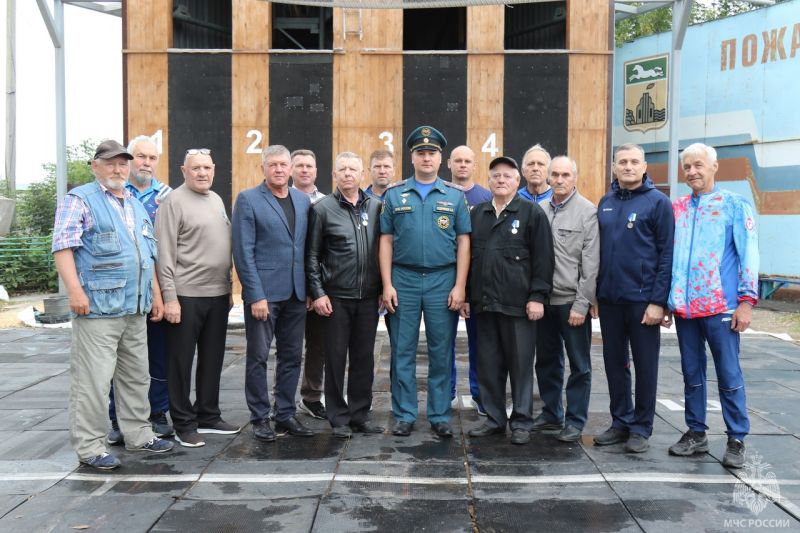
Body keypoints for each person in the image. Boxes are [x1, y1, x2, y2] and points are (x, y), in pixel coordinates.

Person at [52, 140, 173, 470]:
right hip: (97, 309)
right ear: (95, 166)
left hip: (135, 308)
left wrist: (156, 296)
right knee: (92, 381)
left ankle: (139, 434)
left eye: (122, 163)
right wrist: (75, 292)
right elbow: (63, 247)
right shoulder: (79, 200)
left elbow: (148, 255)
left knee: (136, 377)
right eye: (110, 163)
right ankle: (90, 447)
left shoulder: (134, 204)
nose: (118, 169)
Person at [665, 143, 759, 469]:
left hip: (722, 308)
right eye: (687, 167)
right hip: (686, 310)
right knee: (691, 373)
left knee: (728, 373)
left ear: (714, 167)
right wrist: (669, 300)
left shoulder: (734, 205)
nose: (692, 171)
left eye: (698, 165)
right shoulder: (677, 208)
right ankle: (696, 432)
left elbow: (749, 254)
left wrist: (746, 302)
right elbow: (670, 258)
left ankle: (736, 438)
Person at [379, 125, 471, 438]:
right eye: (421, 153)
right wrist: (387, 284)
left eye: (432, 153)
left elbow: (464, 242)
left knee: (441, 351)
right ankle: (404, 414)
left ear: (441, 158)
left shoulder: (454, 196)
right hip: (403, 279)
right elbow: (386, 240)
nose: (426, 158)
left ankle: (439, 414)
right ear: (412, 157)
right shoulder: (394, 194)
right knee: (402, 350)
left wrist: (460, 286)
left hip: (442, 279)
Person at [465, 156, 554, 445]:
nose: (501, 180)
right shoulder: (477, 214)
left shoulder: (531, 213)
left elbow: (543, 259)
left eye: (507, 175)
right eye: (496, 176)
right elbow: (469, 259)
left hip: (519, 306)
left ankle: (522, 422)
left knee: (520, 367)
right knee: (488, 366)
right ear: (488, 181)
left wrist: (538, 296)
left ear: (517, 181)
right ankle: (494, 419)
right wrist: (466, 295)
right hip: (485, 304)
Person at [156, 148, 240, 448]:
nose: (202, 173)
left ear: (214, 169)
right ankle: (183, 423)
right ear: (184, 171)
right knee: (180, 362)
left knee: (212, 359)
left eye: (207, 167)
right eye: (196, 168)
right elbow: (164, 253)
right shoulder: (173, 202)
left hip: (217, 294)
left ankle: (208, 414)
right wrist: (170, 298)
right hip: (185, 295)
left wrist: (227, 289)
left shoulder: (215, 199)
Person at [594, 143, 674, 453]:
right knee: (615, 364)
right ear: (614, 167)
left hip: (643, 301)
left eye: (634, 161)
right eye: (623, 162)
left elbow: (666, 255)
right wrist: (597, 293)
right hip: (610, 299)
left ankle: (641, 427)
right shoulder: (606, 202)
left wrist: (658, 301)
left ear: (644, 166)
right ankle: (620, 422)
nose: (628, 166)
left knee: (645, 365)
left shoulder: (658, 203)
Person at [232, 144, 313, 441]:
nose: (279, 169)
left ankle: (285, 414)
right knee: (258, 357)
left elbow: (305, 248)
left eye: (283, 164)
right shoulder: (248, 199)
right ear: (263, 168)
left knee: (292, 356)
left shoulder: (302, 200)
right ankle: (259, 417)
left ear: (290, 168)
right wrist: (255, 295)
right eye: (273, 164)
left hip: (296, 293)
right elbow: (243, 252)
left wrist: (308, 288)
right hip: (264, 295)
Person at [306, 152, 384, 438]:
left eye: (353, 169)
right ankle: (338, 417)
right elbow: (311, 256)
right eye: (343, 169)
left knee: (364, 359)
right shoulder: (322, 209)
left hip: (368, 298)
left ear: (362, 174)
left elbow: (383, 249)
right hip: (335, 298)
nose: (348, 173)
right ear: (334, 175)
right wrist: (318, 293)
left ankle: (359, 415)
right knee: (335, 358)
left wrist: (382, 287)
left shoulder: (376, 207)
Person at [107, 135, 173, 445]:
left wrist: (165, 293)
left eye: (152, 157)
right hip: (122, 292)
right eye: (141, 157)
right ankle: (117, 418)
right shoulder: (115, 193)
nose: (146, 163)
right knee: (119, 359)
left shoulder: (168, 196)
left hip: (157, 289)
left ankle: (157, 412)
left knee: (158, 356)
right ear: (131, 160)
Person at [534, 156, 599, 442]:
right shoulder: (539, 210)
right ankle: (551, 413)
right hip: (543, 302)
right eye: (555, 175)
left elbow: (591, 263)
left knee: (579, 366)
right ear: (548, 178)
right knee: (546, 362)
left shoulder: (587, 212)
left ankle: (575, 420)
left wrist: (582, 304)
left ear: (574, 178)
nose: (559, 180)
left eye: (565, 175)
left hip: (571, 302)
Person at [446, 145, 492, 414]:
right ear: (449, 164)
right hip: (443, 278)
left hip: (476, 282)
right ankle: (447, 393)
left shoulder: (486, 197)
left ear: (475, 165)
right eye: (458, 160)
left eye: (467, 161)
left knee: (480, 343)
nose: (462, 165)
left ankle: (479, 394)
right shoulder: (441, 193)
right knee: (444, 342)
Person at [291, 149, 327, 421]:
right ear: (291, 170)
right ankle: (282, 401)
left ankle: (311, 397)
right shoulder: (280, 199)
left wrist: (316, 290)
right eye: (299, 165)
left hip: (318, 287)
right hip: (289, 287)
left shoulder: (327, 203)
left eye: (309, 166)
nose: (304, 170)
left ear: (316, 171)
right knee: (288, 348)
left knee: (317, 345)